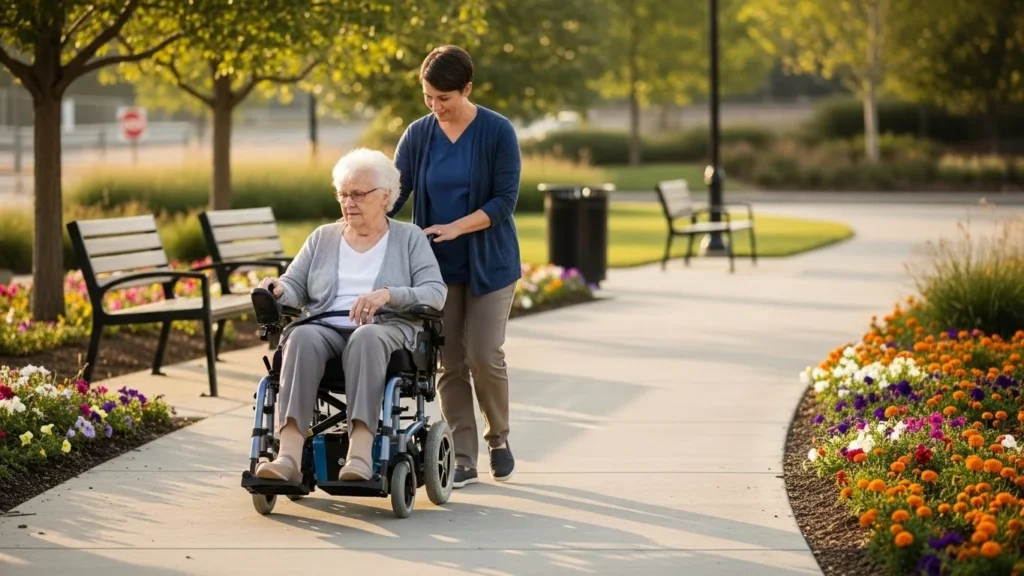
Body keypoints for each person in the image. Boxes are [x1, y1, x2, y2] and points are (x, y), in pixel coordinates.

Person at [253, 147, 447, 484]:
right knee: (300, 336)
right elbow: (295, 285)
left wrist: (389, 295)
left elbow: (435, 292)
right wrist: (279, 289)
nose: (348, 202)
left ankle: (359, 455)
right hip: (325, 327)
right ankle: (288, 456)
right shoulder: (323, 237)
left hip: (384, 330)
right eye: (343, 194)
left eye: (358, 194)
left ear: (385, 196)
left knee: (366, 336)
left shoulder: (409, 238)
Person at [390, 45, 521, 488]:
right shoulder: (418, 134)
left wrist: (456, 228)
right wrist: (363, 215)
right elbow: (396, 192)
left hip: (490, 265)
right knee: (450, 362)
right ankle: (464, 457)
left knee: (484, 355)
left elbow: (504, 201)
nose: (435, 106)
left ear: (467, 88)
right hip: (436, 271)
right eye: (428, 97)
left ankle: (498, 438)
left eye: (443, 98)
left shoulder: (497, 131)